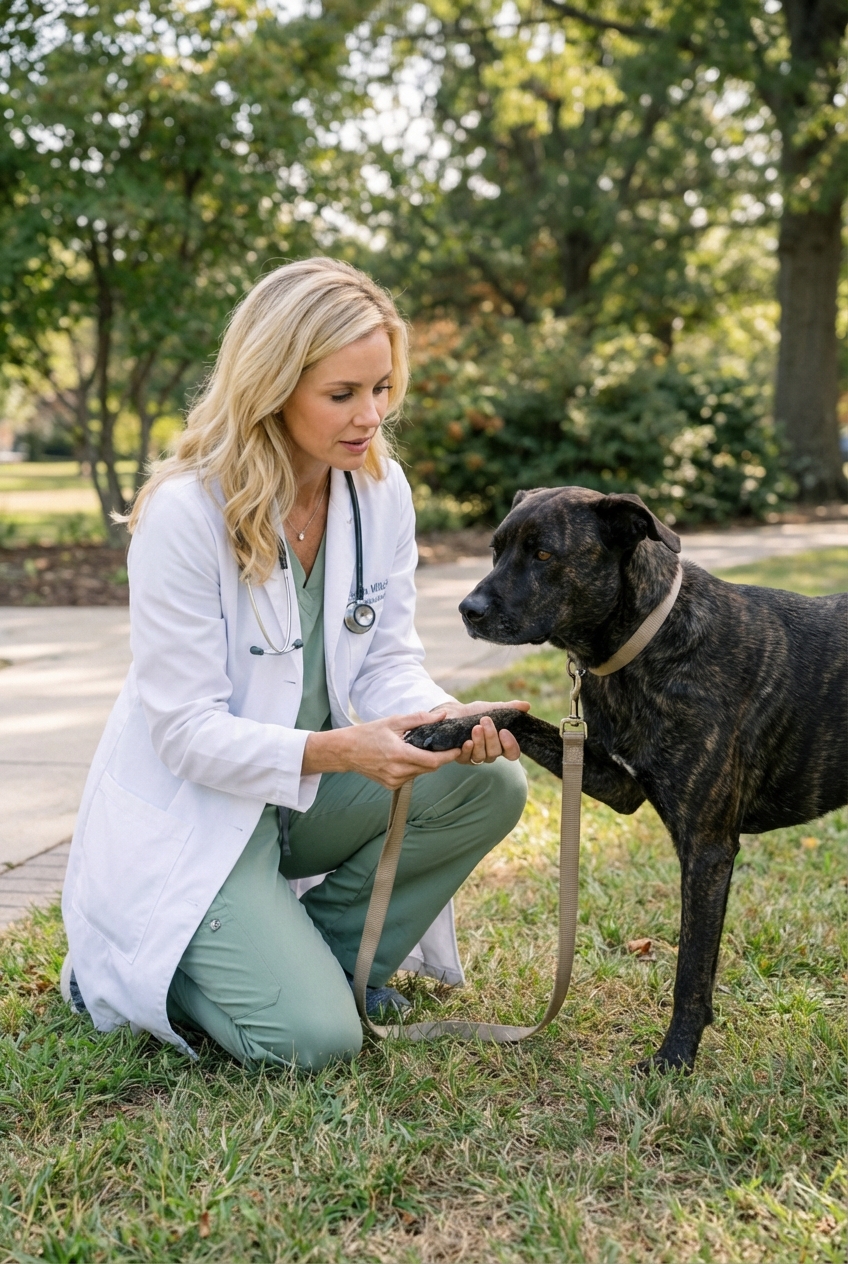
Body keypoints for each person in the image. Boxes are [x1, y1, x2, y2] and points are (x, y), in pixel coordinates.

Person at [61, 258, 528, 1071]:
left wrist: (446, 720)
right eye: (342, 394)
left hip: (301, 797)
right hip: (199, 811)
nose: (372, 416)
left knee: (486, 781)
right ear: (272, 385)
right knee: (314, 1044)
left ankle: (326, 960)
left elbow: (386, 661)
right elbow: (182, 734)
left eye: (382, 388)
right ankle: (146, 966)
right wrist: (341, 751)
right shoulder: (183, 512)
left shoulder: (379, 491)